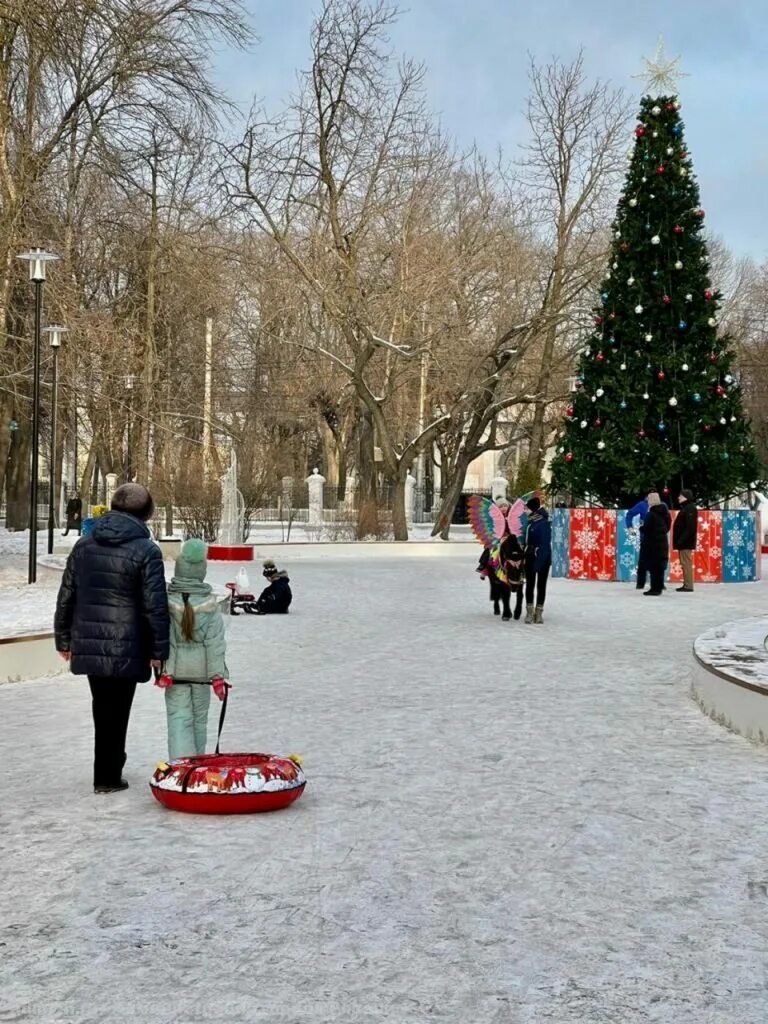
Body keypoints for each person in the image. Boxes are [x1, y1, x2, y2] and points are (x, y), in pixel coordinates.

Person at [54, 483, 170, 794]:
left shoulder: (85, 544)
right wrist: (159, 649)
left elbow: (66, 595)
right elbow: (154, 606)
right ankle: (108, 774)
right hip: (128, 644)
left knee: (102, 707)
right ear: (146, 513)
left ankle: (107, 768)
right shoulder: (147, 551)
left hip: (90, 641)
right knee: (118, 710)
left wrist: (64, 639)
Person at [154, 539, 229, 759]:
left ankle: (180, 767)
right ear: (201, 573)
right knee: (199, 721)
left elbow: (169, 641)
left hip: (175, 675)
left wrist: (166, 672)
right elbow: (215, 644)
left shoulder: (166, 602)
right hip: (203, 675)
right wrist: (217, 676)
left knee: (178, 718)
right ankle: (197, 766)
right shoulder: (211, 605)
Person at [523, 496, 552, 624]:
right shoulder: (531, 522)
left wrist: (538, 564)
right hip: (530, 558)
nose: (525, 511)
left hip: (542, 559)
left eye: (527, 508)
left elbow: (544, 545)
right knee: (529, 585)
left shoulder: (543, 523)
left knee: (541, 585)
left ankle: (539, 613)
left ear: (533, 510)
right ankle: (529, 612)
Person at [642, 491, 671, 596]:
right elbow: (667, 527)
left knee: (653, 566)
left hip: (652, 543)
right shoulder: (665, 513)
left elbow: (647, 529)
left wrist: (641, 528)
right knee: (660, 567)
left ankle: (654, 589)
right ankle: (659, 587)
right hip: (662, 542)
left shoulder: (651, 514)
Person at [672, 489, 698, 592]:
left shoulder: (690, 508)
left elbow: (690, 527)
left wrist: (681, 540)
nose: (678, 498)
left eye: (681, 496)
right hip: (684, 542)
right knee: (684, 563)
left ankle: (688, 585)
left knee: (686, 563)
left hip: (686, 542)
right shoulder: (687, 508)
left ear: (686, 497)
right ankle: (686, 584)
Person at [625, 492, 650, 590]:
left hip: (657, 535)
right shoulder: (642, 505)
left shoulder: (661, 505)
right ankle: (640, 582)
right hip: (645, 535)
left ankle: (658, 582)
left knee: (657, 559)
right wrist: (630, 527)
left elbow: (667, 519)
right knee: (643, 559)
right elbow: (630, 514)